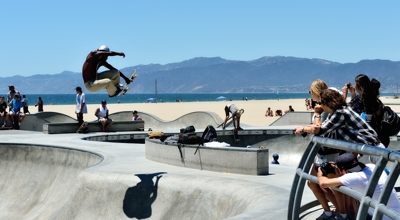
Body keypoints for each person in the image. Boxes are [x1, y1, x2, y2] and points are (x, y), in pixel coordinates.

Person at [318, 153, 400, 220]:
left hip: (382, 217)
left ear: (344, 171)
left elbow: (323, 183)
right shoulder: (372, 166)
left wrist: (320, 173)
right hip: (394, 213)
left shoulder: (354, 178)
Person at [353, 74, 389, 148]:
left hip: (368, 138)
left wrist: (347, 94)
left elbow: (348, 112)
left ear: (359, 86)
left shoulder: (359, 100)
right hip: (381, 137)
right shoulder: (376, 100)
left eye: (355, 84)